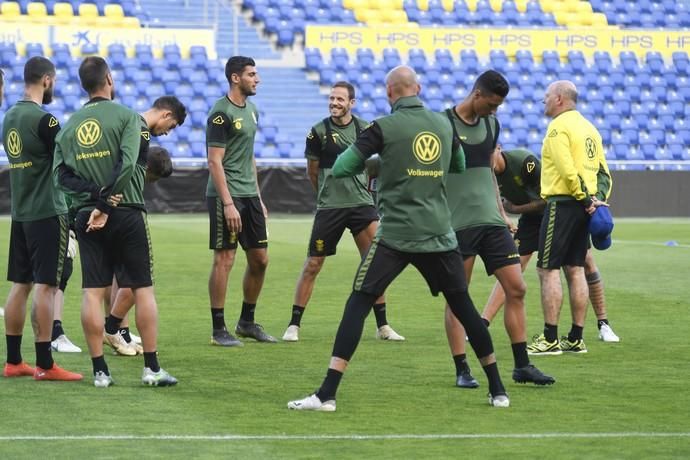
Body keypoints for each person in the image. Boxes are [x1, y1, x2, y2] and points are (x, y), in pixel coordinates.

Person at [287, 65, 510, 411]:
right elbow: (460, 167)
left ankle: (327, 393)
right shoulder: (443, 123)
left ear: (389, 93)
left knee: (358, 302)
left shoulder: (382, 127)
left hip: (395, 235)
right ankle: (498, 389)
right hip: (438, 234)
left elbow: (345, 167)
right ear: (418, 88)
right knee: (464, 306)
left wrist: (384, 164)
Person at [53, 56, 177, 387]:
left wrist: (94, 198)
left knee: (92, 293)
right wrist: (107, 202)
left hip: (85, 215)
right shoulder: (128, 118)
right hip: (126, 211)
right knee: (143, 288)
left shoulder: (69, 126)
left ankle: (99, 372)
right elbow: (129, 166)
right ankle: (151, 368)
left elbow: (60, 176)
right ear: (109, 79)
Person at [443, 71, 553, 388]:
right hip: (458, 224)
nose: (495, 111)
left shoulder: (492, 124)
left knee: (516, 288)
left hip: (492, 224)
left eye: (499, 106)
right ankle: (462, 368)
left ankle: (522, 366)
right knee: (457, 297)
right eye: (491, 104)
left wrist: (501, 212)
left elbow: (489, 175)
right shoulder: (444, 124)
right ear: (477, 94)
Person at [282, 81, 404, 343]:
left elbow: (380, 163)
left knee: (375, 263)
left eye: (340, 99)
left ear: (352, 103)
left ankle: (383, 326)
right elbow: (312, 172)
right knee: (313, 264)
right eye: (332, 99)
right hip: (330, 207)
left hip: (362, 205)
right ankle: (294, 325)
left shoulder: (366, 129)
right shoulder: (317, 132)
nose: (334, 103)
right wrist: (327, 195)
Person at [482, 148, 620, 343]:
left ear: (497, 149)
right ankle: (483, 324)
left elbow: (547, 198)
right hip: (530, 221)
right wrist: (505, 216)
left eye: (488, 152)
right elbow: (495, 196)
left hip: (555, 213)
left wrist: (514, 209)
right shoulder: (486, 171)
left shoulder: (524, 163)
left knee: (584, 264)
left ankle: (603, 324)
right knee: (512, 266)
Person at [1, 56, 82, 381]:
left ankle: (13, 360)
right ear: (47, 80)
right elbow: (69, 163)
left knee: (21, 285)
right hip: (48, 212)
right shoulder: (45, 121)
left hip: (21, 213)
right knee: (47, 286)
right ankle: (46, 365)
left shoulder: (8, 118)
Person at [527, 80, 611, 355]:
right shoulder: (590, 128)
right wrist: (596, 200)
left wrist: (583, 198)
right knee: (576, 270)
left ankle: (550, 337)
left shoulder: (558, 127)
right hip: (584, 208)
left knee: (547, 269)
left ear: (560, 99)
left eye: (547, 96)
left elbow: (565, 169)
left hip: (563, 203)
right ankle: (576, 337)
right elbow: (603, 172)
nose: (544, 102)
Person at [101, 97, 186, 356]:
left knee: (117, 275)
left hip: (106, 208)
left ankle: (118, 334)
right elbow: (126, 167)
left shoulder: (124, 123)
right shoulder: (137, 129)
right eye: (171, 126)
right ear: (167, 115)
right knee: (140, 278)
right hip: (126, 211)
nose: (167, 132)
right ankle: (114, 329)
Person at [206, 56, 276, 346]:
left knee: (260, 259)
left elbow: (248, 155)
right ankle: (219, 329)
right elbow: (214, 161)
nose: (257, 79)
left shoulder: (253, 110)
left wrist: (258, 197)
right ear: (236, 78)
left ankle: (247, 322)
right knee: (225, 258)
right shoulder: (220, 113)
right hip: (227, 196)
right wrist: (229, 203)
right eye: (251, 74)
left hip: (249, 194)